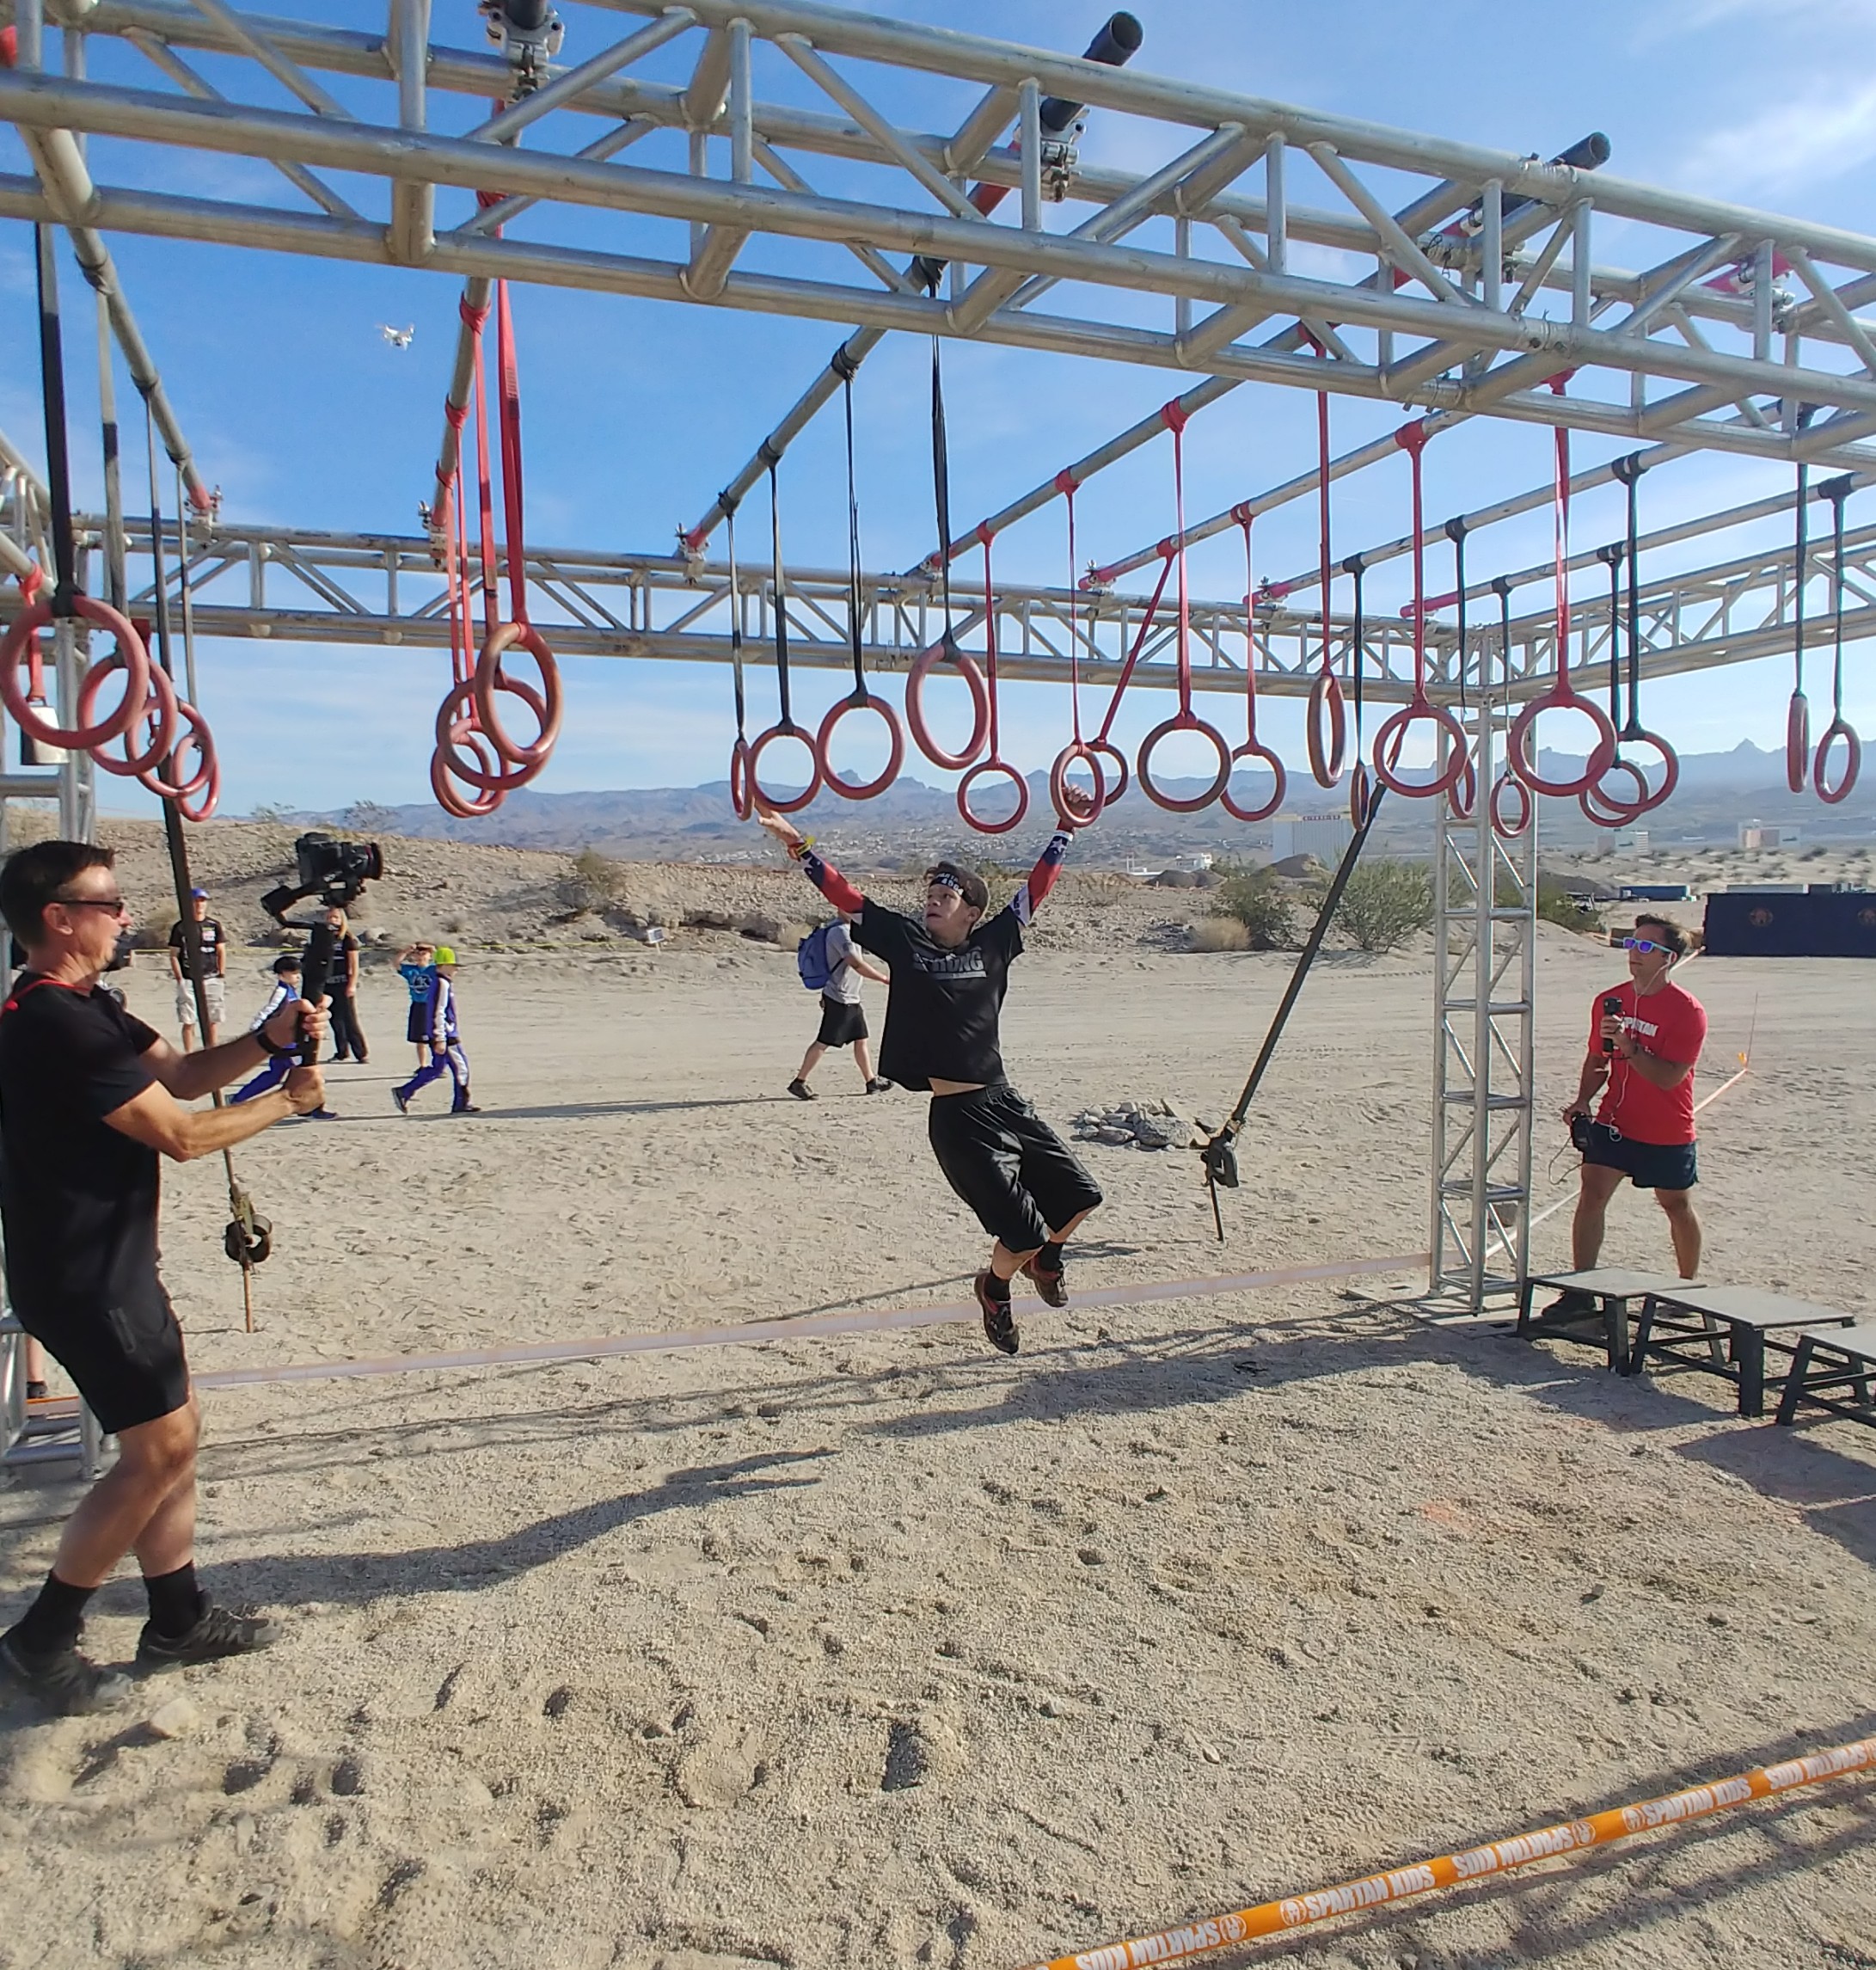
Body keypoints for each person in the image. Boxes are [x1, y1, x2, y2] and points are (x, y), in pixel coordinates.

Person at [0, 840, 328, 1714]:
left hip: (106, 1268)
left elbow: (181, 1073)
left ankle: (177, 1616)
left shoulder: (86, 1005)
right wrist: (283, 1102)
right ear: (58, 918)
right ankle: (41, 1637)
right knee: (157, 1451)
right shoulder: (53, 1023)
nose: (121, 916)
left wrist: (266, 1039)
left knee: (175, 1438)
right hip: (85, 1277)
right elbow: (179, 1132)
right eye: (106, 903)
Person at [755, 796, 1100, 1356]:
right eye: (930, 896)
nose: (933, 903)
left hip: (1003, 1100)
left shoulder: (995, 943)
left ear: (972, 912)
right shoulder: (904, 941)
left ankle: (1048, 1263)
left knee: (1082, 1197)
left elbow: (1036, 890)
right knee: (1022, 1232)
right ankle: (995, 1287)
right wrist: (798, 843)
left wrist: (1066, 827)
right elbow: (845, 894)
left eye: (946, 897)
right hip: (958, 1120)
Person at [1554, 914, 1707, 1309]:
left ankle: (1687, 1287)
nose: (1633, 955)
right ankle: (1580, 1292)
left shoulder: (1687, 1012)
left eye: (1644, 947)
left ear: (1668, 959)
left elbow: (1669, 1077)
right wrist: (1583, 1098)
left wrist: (1629, 1045)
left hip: (1666, 1126)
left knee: (1675, 1205)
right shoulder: (1610, 1001)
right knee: (1592, 1194)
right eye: (1630, 945)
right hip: (1615, 1121)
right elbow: (1596, 1058)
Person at [789, 909, 892, 1099]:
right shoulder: (840, 932)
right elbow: (856, 963)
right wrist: (884, 978)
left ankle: (871, 1081)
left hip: (850, 997)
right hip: (840, 997)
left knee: (861, 1039)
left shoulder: (848, 929)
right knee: (824, 1041)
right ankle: (799, 1082)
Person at [392, 946, 477, 1115]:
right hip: (445, 1034)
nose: (455, 970)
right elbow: (438, 1011)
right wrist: (440, 1037)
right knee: (461, 1067)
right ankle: (461, 1102)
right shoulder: (441, 983)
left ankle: (405, 1091)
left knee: (438, 1068)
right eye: (452, 966)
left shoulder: (441, 982)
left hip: (442, 1033)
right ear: (442, 966)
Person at [167, 887, 226, 1052]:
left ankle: (212, 1052)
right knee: (188, 1020)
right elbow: (173, 954)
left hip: (212, 977)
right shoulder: (180, 927)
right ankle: (189, 1054)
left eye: (202, 901)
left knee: (213, 1020)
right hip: (188, 979)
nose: (199, 905)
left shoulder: (214, 925)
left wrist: (221, 974)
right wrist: (180, 978)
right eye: (196, 901)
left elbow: (221, 950)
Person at [323, 905, 368, 1064]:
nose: (332, 920)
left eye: (335, 917)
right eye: (329, 917)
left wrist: (352, 984)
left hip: (343, 982)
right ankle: (342, 1051)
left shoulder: (348, 939)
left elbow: (354, 965)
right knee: (334, 1019)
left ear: (342, 920)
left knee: (349, 1019)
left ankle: (361, 1053)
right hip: (327, 984)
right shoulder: (323, 938)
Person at [397, 942, 437, 1071]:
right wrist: (406, 951)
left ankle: (438, 1064)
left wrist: (434, 950)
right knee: (420, 1039)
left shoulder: (433, 969)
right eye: (418, 954)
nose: (421, 956)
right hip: (418, 1006)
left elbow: (448, 966)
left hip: (431, 1006)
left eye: (424, 953)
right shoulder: (411, 970)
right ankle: (423, 1065)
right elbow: (396, 964)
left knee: (435, 1037)